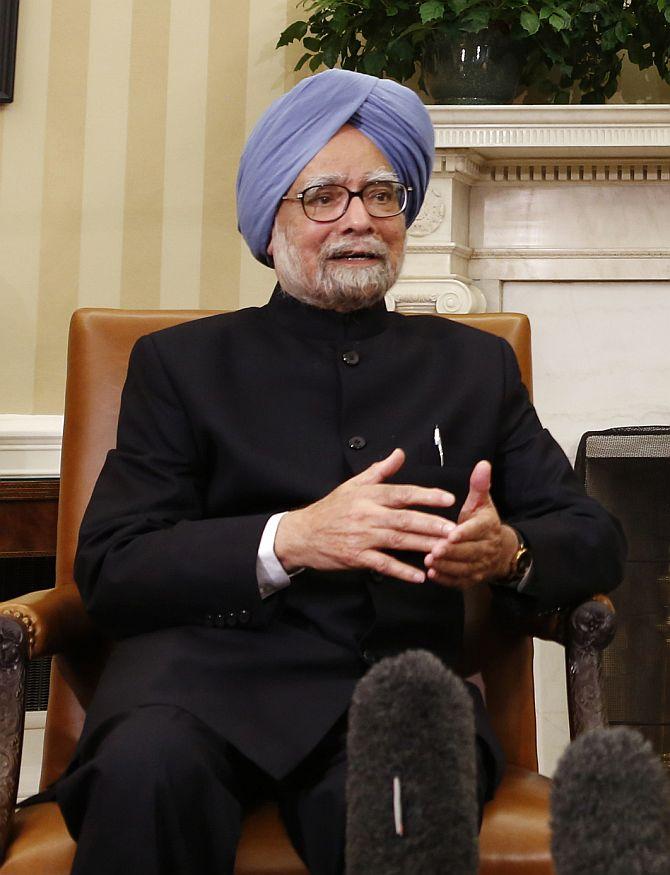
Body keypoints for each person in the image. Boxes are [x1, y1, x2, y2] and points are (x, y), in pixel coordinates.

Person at [39, 70, 625, 875]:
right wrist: (293, 537)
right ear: (270, 221)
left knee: (401, 792)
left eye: (382, 195)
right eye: (324, 197)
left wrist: (510, 551)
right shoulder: (182, 365)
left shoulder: (472, 369)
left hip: (392, 686)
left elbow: (595, 537)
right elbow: (112, 566)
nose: (358, 218)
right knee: (145, 771)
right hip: (196, 682)